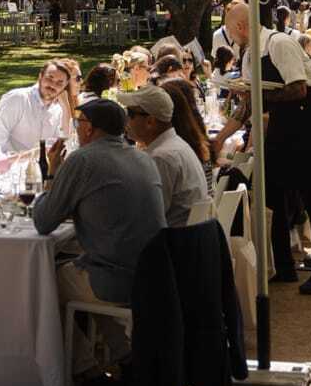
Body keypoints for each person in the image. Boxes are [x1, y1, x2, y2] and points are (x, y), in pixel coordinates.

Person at [36, 99, 165, 368]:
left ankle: (83, 367)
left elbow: (44, 221)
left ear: (89, 128)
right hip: (154, 274)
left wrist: (52, 173)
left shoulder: (83, 159)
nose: (76, 128)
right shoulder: (143, 157)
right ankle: (123, 354)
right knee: (81, 266)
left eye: (78, 122)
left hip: (116, 280)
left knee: (40, 282)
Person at [260, 21, 311, 294]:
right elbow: (250, 103)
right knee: (274, 192)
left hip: (305, 122)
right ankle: (284, 265)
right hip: (283, 123)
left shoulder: (278, 43)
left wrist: (265, 95)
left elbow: (299, 88)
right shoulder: (253, 51)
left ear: (242, 27)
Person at [124, 85, 210, 225]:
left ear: (150, 121)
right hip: (190, 233)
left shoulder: (162, 157)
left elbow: (148, 216)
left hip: (174, 236)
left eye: (130, 114)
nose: (126, 120)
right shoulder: (176, 145)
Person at [0, 58, 78, 159]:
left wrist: (66, 109)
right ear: (40, 76)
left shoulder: (58, 109)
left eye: (59, 83)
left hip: (42, 166)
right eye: (49, 78)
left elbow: (63, 144)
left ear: (65, 86)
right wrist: (13, 161)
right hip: (11, 164)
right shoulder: (18, 98)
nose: (53, 85)